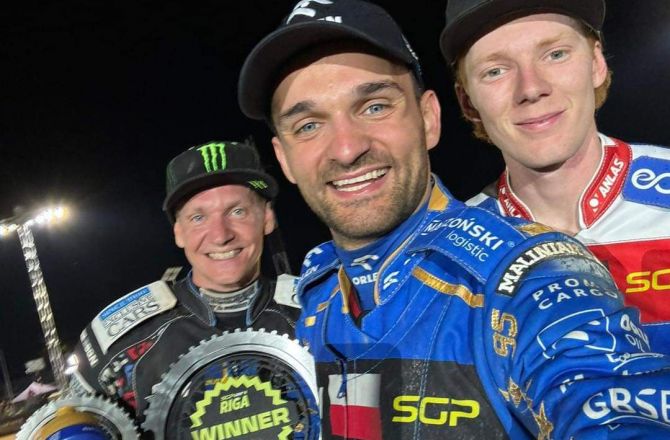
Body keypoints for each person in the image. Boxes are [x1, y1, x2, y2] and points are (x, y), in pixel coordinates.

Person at [238, 0, 670, 438]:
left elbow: (609, 408)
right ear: (282, 158)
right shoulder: (317, 287)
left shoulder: (525, 270)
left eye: (375, 107)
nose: (347, 149)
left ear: (430, 119)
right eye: (308, 126)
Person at [441, 0, 670, 341]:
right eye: (495, 71)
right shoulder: (450, 254)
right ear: (468, 102)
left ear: (596, 63)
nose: (531, 89)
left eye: (555, 54)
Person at [68, 140, 299, 420]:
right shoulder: (119, 339)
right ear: (178, 233)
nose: (220, 235)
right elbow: (69, 423)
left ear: (268, 218)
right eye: (198, 217)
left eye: (237, 211)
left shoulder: (317, 312)